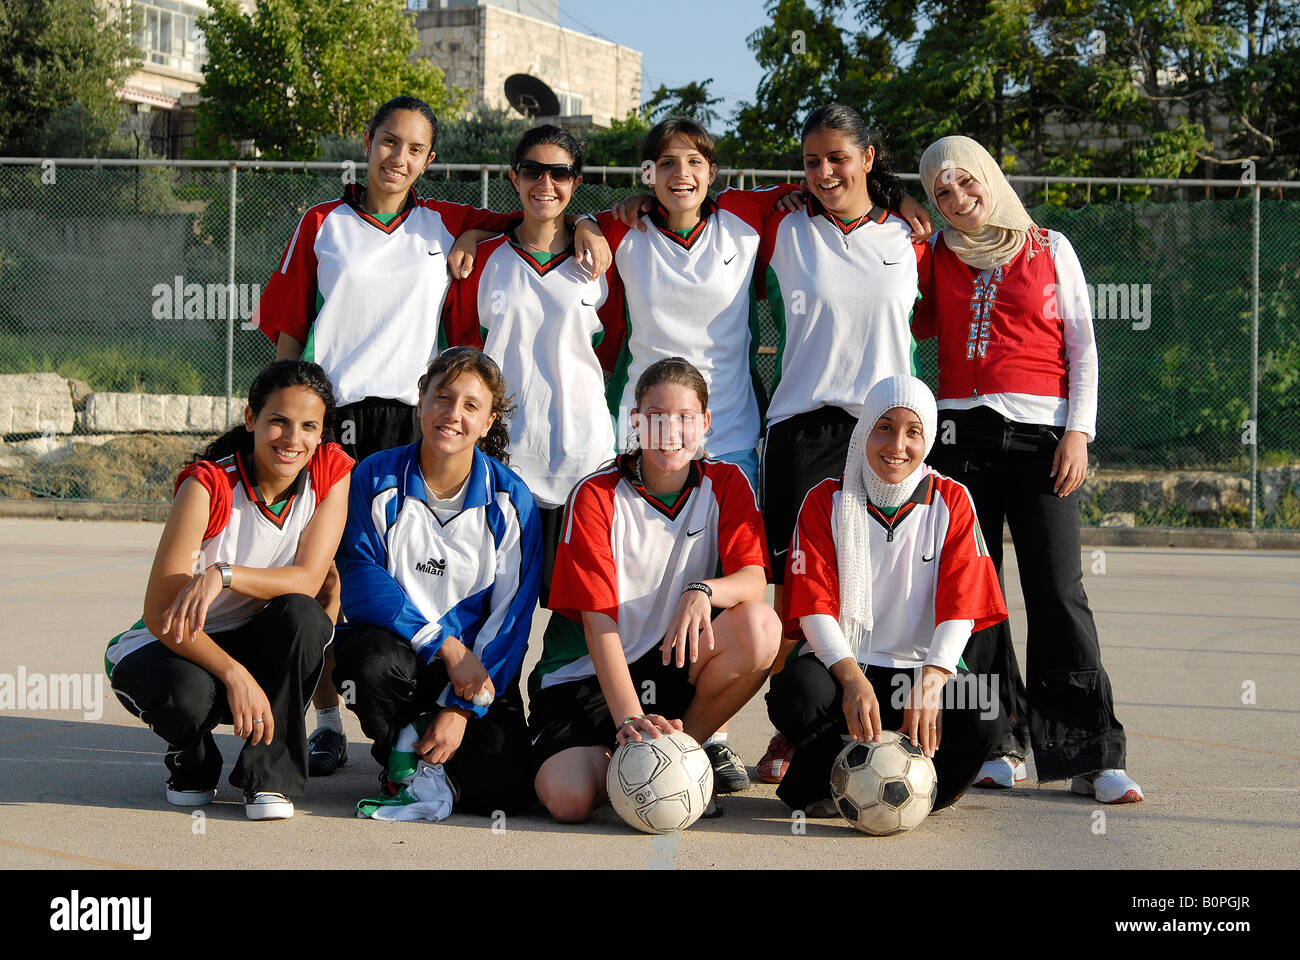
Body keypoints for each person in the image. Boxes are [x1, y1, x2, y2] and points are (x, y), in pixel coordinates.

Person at [253, 95, 609, 776]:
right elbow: (290, 325)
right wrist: (282, 418)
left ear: (429, 161)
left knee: (423, 572)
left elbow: (534, 214)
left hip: (417, 419)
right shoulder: (322, 223)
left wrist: (588, 219)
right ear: (367, 140)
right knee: (328, 579)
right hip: (338, 418)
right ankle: (325, 717)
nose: (399, 159)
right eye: (390, 142)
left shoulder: (445, 223)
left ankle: (452, 701)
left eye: (415, 150)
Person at [913, 134, 1143, 803]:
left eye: (965, 183)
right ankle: (998, 743)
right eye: (941, 193)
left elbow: (1084, 346)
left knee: (1058, 593)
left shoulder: (1050, 246)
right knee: (975, 596)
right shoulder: (932, 255)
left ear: (988, 176)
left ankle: (1090, 754)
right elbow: (911, 321)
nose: (958, 200)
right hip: (958, 437)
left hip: (1042, 437)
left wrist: (1079, 432)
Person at [753, 104, 934, 782]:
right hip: (803, 429)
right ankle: (790, 730)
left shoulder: (910, 238)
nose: (825, 172)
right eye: (811, 161)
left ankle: (882, 712)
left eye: (838, 157)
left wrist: (902, 195)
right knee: (797, 595)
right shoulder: (783, 225)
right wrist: (599, 216)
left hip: (885, 432)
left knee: (887, 583)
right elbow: (695, 197)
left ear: (868, 156)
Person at [528, 357, 782, 823]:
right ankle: (636, 761)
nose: (671, 430)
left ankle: (683, 763)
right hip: (587, 675)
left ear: (704, 424)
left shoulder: (726, 483)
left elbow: (754, 580)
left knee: (760, 626)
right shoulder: (596, 494)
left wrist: (703, 589)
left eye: (685, 418)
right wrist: (628, 719)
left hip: (667, 662)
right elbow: (598, 624)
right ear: (636, 422)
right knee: (568, 800)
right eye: (657, 417)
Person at [105, 360, 352, 820]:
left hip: (257, 635)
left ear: (322, 435)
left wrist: (223, 573)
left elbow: (306, 580)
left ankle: (269, 778)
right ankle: (191, 758)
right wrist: (235, 674)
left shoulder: (330, 474)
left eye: (307, 426)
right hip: (178, 643)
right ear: (251, 419)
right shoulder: (208, 486)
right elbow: (162, 615)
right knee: (186, 698)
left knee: (304, 616)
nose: (291, 439)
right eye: (278, 420)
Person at [767, 375, 1009, 817]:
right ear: (863, 432)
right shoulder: (827, 500)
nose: (897, 444)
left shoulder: (952, 501)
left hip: (916, 676)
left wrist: (934, 679)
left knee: (986, 713)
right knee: (796, 694)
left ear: (928, 439)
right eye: (885, 427)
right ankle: (828, 780)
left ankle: (923, 793)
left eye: (913, 431)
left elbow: (963, 606)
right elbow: (814, 607)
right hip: (848, 669)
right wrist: (852, 679)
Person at [331, 347, 541, 818]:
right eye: (443, 398)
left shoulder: (511, 500)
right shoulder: (375, 475)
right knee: (369, 662)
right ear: (421, 399)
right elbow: (362, 578)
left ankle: (434, 746)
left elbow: (513, 617)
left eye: (471, 405)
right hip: (406, 659)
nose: (453, 414)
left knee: (506, 793)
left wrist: (461, 709)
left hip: (478, 672)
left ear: (488, 422)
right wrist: (445, 647)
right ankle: (400, 751)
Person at [441, 124, 616, 608]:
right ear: (514, 178)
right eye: (533, 171)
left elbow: (618, 348)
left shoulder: (600, 261)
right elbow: (461, 354)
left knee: (576, 609)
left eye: (560, 173)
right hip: (504, 455)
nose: (546, 183)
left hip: (583, 455)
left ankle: (562, 688)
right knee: (498, 599)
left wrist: (588, 224)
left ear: (575, 183)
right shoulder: (483, 258)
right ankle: (494, 688)